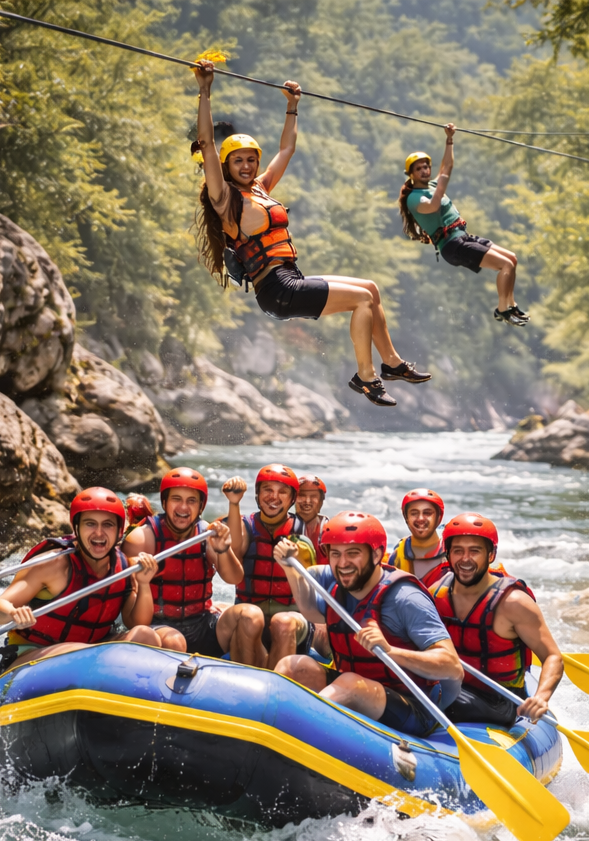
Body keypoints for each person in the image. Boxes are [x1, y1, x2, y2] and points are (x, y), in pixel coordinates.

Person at [191, 59, 432, 408]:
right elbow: (207, 143)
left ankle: (391, 363)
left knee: (370, 289)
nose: (247, 166)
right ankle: (365, 377)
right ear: (226, 167)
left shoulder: (261, 189)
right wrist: (205, 90)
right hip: (276, 289)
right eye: (238, 161)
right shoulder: (225, 200)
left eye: (251, 159)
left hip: (291, 278)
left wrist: (292, 108)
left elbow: (286, 149)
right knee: (361, 301)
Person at [272, 513, 463, 738]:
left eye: (353, 554)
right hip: (356, 686)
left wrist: (392, 652)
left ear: (376, 554)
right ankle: (267, 726)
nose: (342, 563)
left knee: (351, 684)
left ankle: (291, 735)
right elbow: (312, 612)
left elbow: (452, 667)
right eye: (335, 554)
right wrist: (289, 568)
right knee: (293, 667)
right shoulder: (340, 586)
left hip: (413, 705)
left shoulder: (406, 599)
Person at [0, 488, 161, 671]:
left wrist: (143, 584)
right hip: (34, 653)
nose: (99, 533)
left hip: (91, 648)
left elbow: (137, 623)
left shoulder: (123, 567)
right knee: (78, 652)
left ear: (120, 530)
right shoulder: (52, 564)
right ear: (76, 527)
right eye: (90, 524)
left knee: (145, 636)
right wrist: (13, 613)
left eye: (108, 525)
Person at [431, 514, 563, 727]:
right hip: (453, 686)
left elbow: (553, 657)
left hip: (500, 700)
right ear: (447, 555)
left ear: (491, 555)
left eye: (475, 551)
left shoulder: (514, 603)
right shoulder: (437, 593)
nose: (465, 559)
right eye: (458, 551)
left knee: (439, 698)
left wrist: (542, 696)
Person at [400, 124, 528, 326]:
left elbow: (446, 166)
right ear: (411, 174)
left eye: (426, 167)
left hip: (463, 237)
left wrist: (449, 140)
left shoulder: (432, 185)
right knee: (505, 265)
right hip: (452, 246)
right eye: (419, 169)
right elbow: (433, 205)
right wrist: (442, 184)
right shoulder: (414, 199)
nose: (425, 171)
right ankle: (501, 310)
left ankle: (510, 305)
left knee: (511, 258)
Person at [122, 468, 243, 657]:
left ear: (201, 507)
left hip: (201, 622)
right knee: (174, 640)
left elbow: (234, 578)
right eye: (176, 499)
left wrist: (224, 550)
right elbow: (132, 619)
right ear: (164, 502)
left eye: (191, 501)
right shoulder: (142, 538)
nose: (183, 508)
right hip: (159, 626)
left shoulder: (207, 534)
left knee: (249, 615)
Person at [218, 465, 318, 669]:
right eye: (268, 490)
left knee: (283, 622)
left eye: (282, 492)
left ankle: (276, 688)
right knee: (250, 616)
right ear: (257, 494)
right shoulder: (245, 526)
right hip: (251, 615)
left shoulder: (301, 533)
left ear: (292, 500)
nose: (274, 497)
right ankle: (244, 679)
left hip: (292, 620)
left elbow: (310, 568)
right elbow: (234, 552)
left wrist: (293, 558)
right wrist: (234, 504)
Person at [384, 488, 449, 583]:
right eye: (414, 513)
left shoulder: (453, 548)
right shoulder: (397, 556)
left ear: (439, 517)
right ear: (406, 517)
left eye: (427, 513)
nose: (420, 518)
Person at [295, 474, 328, 553]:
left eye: (313, 496)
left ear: (321, 502)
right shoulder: (280, 527)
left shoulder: (329, 531)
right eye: (302, 496)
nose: (307, 501)